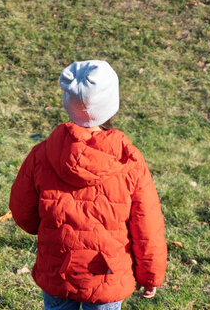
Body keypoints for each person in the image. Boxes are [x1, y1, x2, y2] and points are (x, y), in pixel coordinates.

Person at [9, 60, 167, 310]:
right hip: (107, 274)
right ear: (111, 106)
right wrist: (150, 274)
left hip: (57, 269)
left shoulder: (41, 155)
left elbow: (22, 212)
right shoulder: (129, 161)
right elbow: (147, 225)